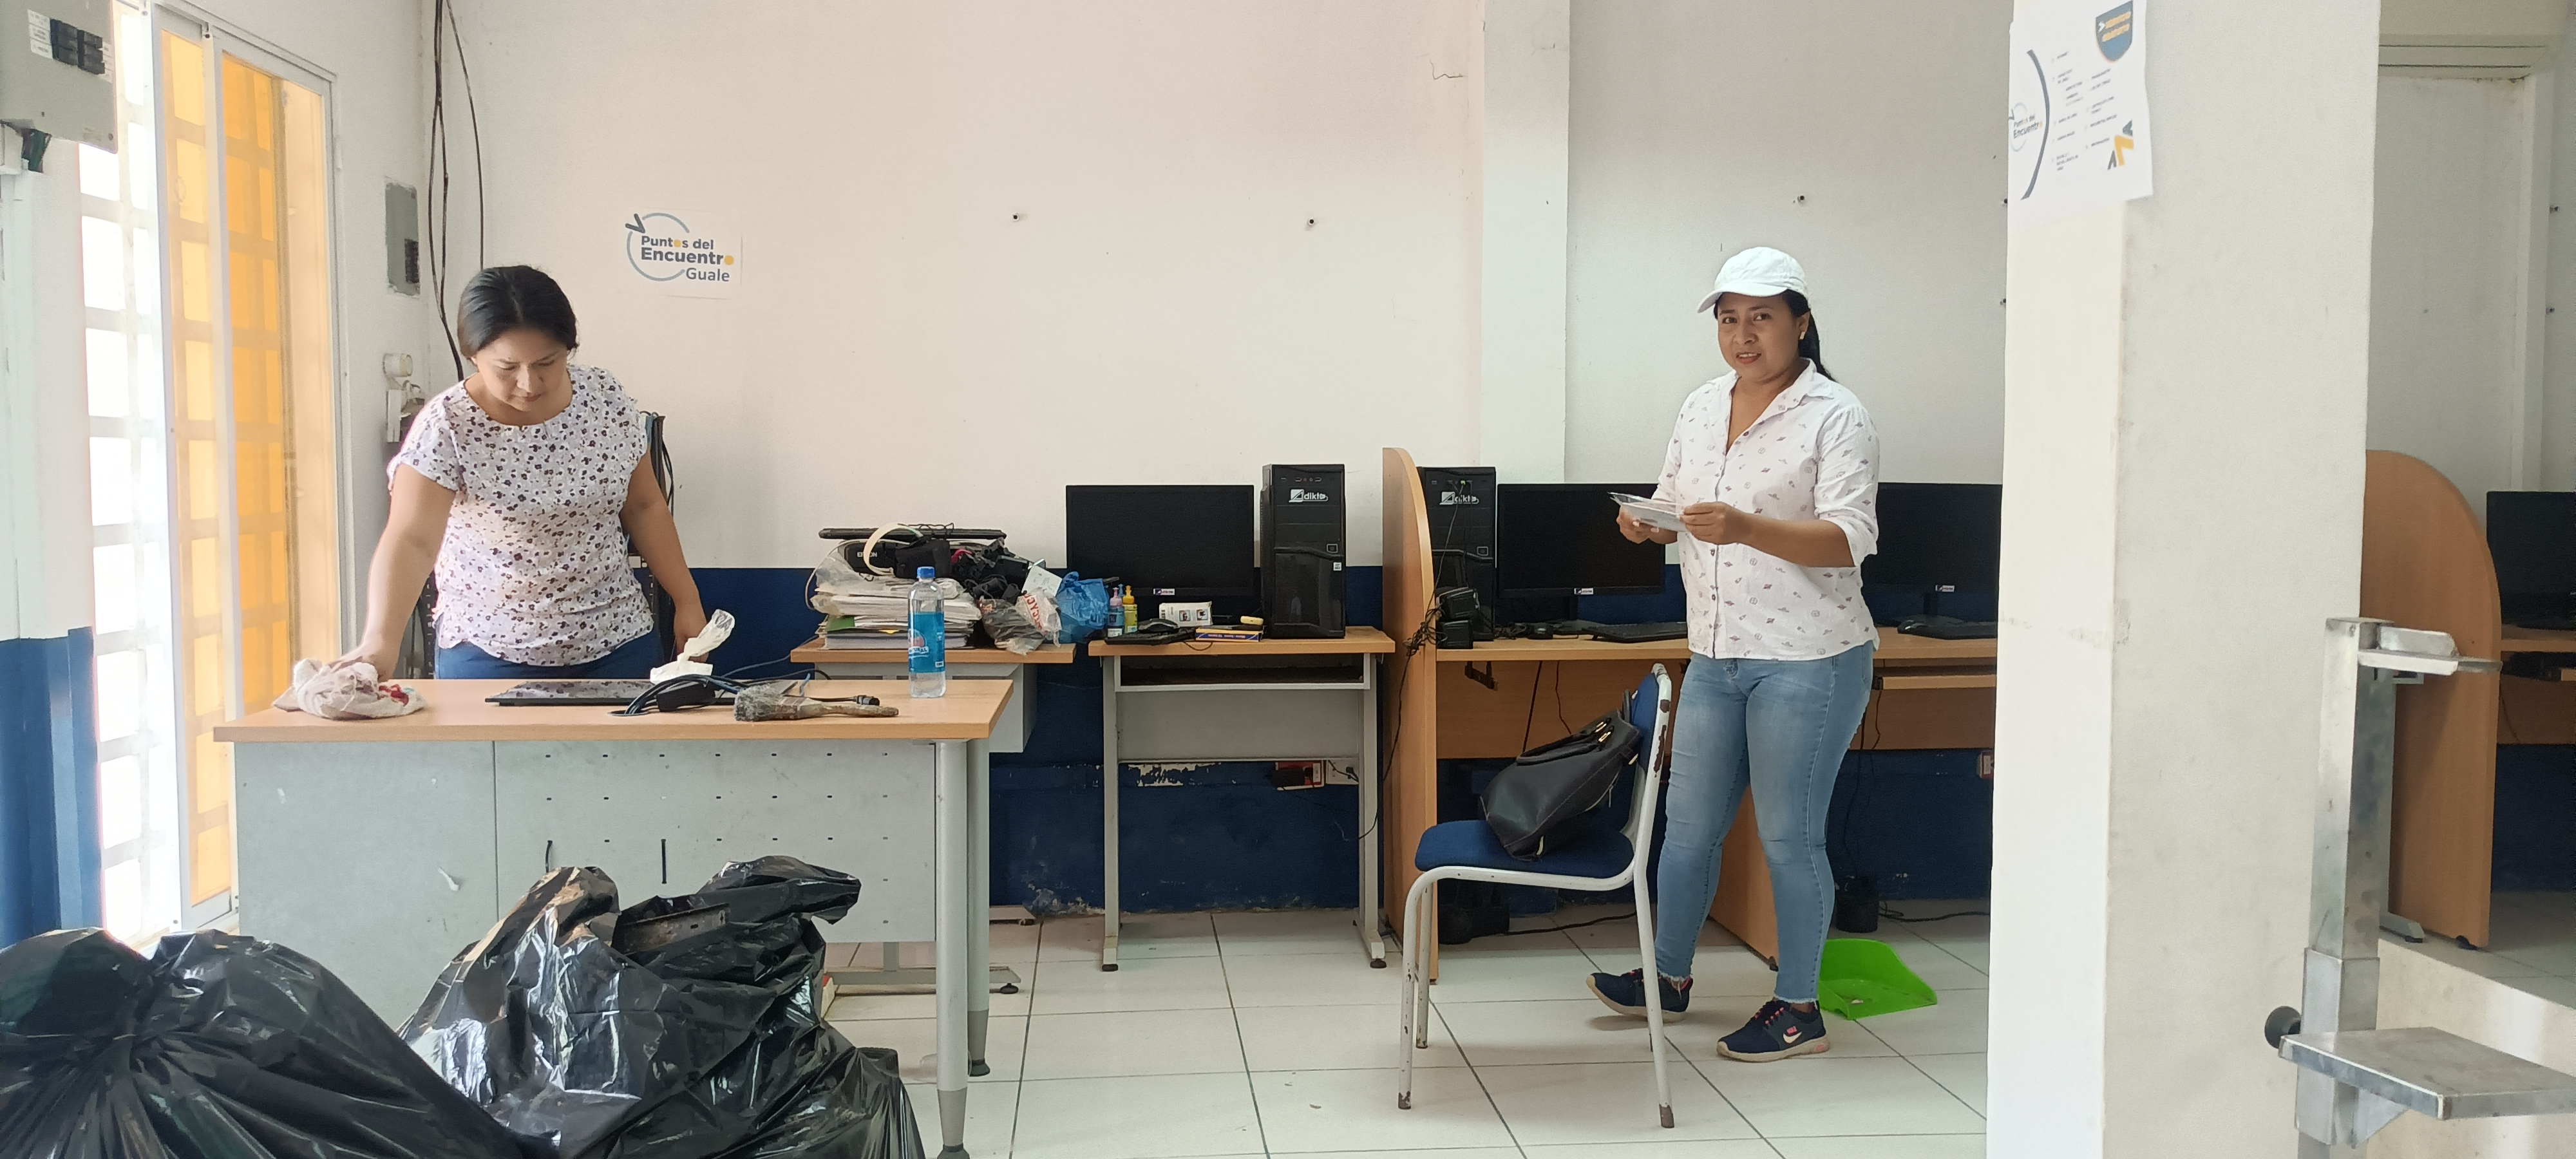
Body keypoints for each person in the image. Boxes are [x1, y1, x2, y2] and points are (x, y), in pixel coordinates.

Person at [1586, 247, 1880, 1062]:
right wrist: (1645, 524)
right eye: (1728, 319)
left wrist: (1746, 528)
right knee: (1686, 829)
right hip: (1716, 653)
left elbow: (1849, 539)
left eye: (1761, 318)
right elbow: (1677, 505)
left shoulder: (1836, 414)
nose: (1743, 335)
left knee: (1789, 838)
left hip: (1808, 658)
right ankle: (1667, 977)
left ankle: (1799, 1008)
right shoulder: (1701, 404)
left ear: (1800, 323)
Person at [343, 265, 706, 679]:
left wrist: (687, 599)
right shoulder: (447, 426)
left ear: (568, 349)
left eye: (547, 362)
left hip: (617, 640)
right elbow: (412, 539)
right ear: (473, 356)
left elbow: (644, 506)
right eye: (506, 367)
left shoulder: (604, 398)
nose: (529, 383)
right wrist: (381, 641)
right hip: (489, 651)